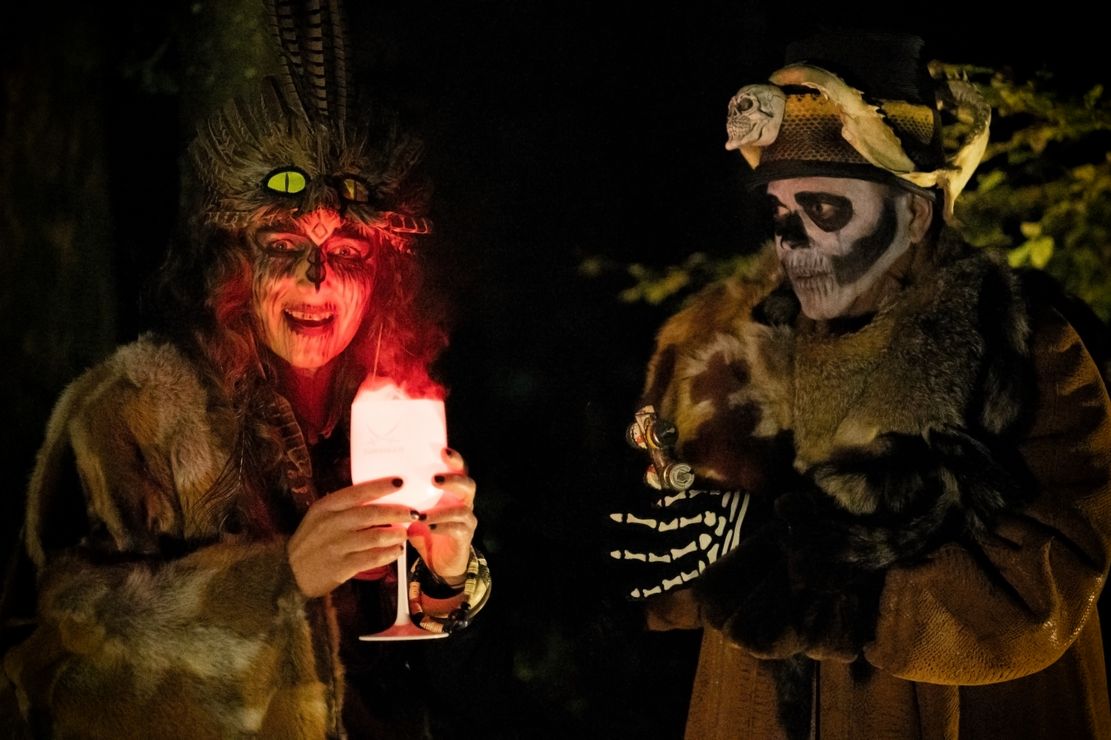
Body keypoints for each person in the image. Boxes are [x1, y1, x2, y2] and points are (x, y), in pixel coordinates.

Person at [0, 2, 490, 736]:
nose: (315, 277)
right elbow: (50, 664)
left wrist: (446, 574)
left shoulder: (393, 417)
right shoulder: (131, 414)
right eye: (281, 244)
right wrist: (281, 582)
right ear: (229, 263)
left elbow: (433, 689)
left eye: (348, 254)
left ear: (379, 274)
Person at [611, 31, 1111, 739]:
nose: (794, 242)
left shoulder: (1022, 351)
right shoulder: (733, 360)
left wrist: (831, 596)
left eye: (826, 210)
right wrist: (693, 560)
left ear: (914, 212)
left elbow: (1041, 584)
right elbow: (678, 593)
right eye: (784, 214)